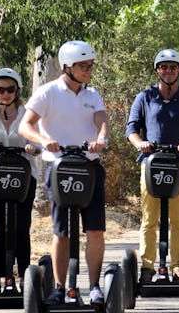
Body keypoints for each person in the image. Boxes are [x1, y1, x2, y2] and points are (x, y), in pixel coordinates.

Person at [18, 40, 111, 305]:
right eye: (84, 66)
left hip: (89, 167)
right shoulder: (48, 93)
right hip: (59, 168)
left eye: (91, 66)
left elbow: (101, 121)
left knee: (94, 231)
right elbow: (25, 126)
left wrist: (101, 138)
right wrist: (43, 140)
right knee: (61, 232)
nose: (89, 71)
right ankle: (60, 288)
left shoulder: (92, 94)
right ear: (68, 66)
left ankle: (94, 287)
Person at [125, 49, 179, 283]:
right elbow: (131, 129)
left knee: (178, 218)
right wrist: (141, 144)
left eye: (173, 67)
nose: (168, 71)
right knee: (149, 218)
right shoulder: (145, 97)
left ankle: (177, 266)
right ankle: (148, 267)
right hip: (150, 164)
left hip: (178, 165)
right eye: (164, 67)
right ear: (157, 70)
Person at [0, 68, 41, 293]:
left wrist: (33, 147)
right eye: (0, 90)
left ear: (17, 90)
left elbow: (38, 143)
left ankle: (24, 277)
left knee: (22, 227)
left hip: (24, 178)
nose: (5, 94)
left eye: (10, 89)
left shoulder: (27, 115)